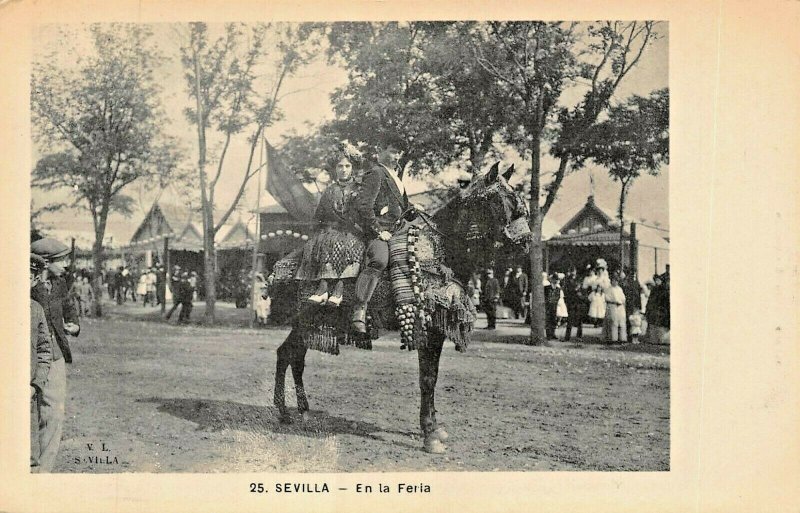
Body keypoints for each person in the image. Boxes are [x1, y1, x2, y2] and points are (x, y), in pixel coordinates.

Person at [30, 238, 80, 472]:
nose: (66, 265)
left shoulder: (61, 284)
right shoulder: (27, 286)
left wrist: (74, 324)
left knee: (54, 412)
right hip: (31, 356)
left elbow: (69, 307)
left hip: (56, 355)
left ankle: (45, 471)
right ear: (46, 262)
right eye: (61, 260)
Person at [295, 142, 365, 307]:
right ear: (335, 169)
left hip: (355, 231)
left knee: (351, 244)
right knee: (323, 241)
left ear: (352, 168)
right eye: (340, 166)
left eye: (347, 166)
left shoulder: (360, 189)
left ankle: (339, 288)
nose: (343, 169)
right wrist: (319, 230)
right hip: (333, 230)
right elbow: (319, 216)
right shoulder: (329, 190)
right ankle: (323, 287)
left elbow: (365, 213)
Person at [350, 144, 409, 333]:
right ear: (380, 151)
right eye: (392, 151)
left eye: (398, 152)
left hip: (398, 229)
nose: (396, 155)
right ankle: (360, 309)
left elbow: (400, 208)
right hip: (379, 232)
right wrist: (377, 231)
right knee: (379, 260)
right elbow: (364, 206)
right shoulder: (376, 173)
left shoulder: (396, 177)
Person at [30, 254, 53, 472]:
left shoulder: (36, 309)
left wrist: (36, 384)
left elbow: (45, 350)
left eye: (29, 277)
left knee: (29, 456)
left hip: (27, 392)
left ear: (35, 280)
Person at [604, 273, 627, 343]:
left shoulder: (619, 289)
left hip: (620, 307)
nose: (615, 282)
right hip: (612, 306)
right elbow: (607, 297)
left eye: (616, 281)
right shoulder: (609, 289)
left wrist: (621, 302)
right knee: (613, 322)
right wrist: (614, 301)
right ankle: (613, 338)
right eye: (613, 280)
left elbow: (623, 298)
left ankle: (622, 338)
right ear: (611, 281)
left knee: (621, 322)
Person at [563, 267, 585, 341]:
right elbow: (566, 290)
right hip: (571, 301)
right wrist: (574, 289)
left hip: (578, 301)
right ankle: (567, 337)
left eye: (574, 271)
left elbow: (582, 289)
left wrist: (580, 292)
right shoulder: (568, 280)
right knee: (570, 320)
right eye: (571, 271)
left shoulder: (579, 279)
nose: (573, 273)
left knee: (579, 320)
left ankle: (579, 336)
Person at [543, 272, 560, 339]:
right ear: (552, 280)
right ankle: (548, 335)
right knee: (548, 320)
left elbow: (558, 297)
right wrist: (548, 302)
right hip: (548, 306)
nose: (556, 281)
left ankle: (553, 333)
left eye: (557, 280)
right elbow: (545, 296)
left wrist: (555, 302)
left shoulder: (558, 289)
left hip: (554, 306)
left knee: (554, 320)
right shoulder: (546, 288)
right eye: (554, 279)